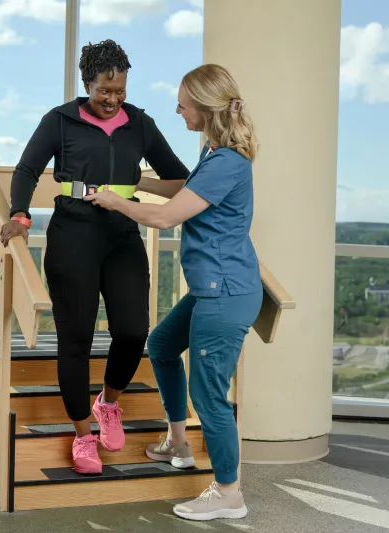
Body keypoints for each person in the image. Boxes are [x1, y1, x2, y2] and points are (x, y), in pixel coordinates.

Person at [0, 39, 190, 474]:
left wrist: (137, 187)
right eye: (104, 91)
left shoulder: (139, 123)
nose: (112, 99)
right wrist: (20, 215)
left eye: (119, 91)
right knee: (76, 340)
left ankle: (108, 403)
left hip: (123, 234)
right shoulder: (60, 120)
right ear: (88, 83)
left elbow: (177, 175)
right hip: (73, 234)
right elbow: (28, 169)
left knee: (131, 330)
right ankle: (83, 435)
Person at [85, 63, 261, 521]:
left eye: (183, 102)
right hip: (213, 288)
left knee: (209, 397)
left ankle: (229, 492)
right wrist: (137, 180)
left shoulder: (226, 161)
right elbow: (184, 188)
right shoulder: (215, 151)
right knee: (162, 345)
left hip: (226, 294)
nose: (177, 109)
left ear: (204, 105)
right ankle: (178, 444)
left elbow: (167, 217)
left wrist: (117, 201)